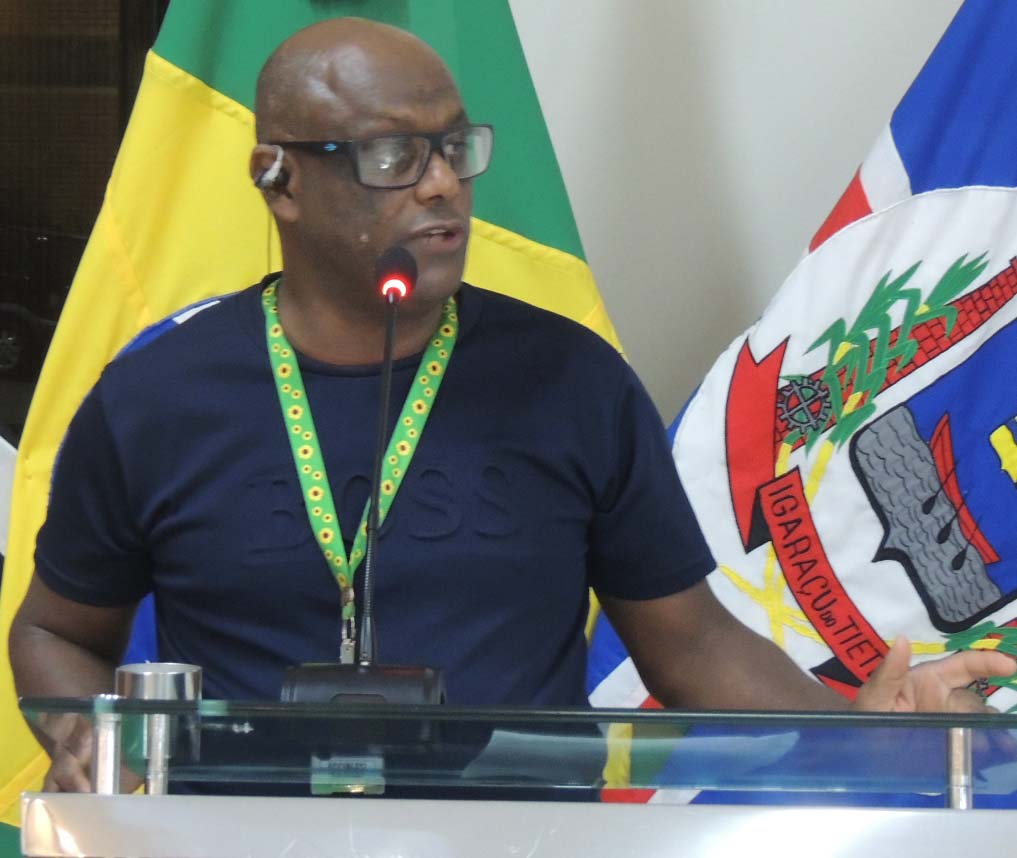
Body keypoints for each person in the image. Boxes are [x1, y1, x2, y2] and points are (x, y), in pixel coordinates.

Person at [9, 18, 1015, 794]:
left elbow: (691, 644)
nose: (442, 187)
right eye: (394, 158)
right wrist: (87, 742)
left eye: (455, 148)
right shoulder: (155, 398)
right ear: (279, 180)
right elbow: (55, 630)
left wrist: (860, 735)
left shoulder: (572, 382)